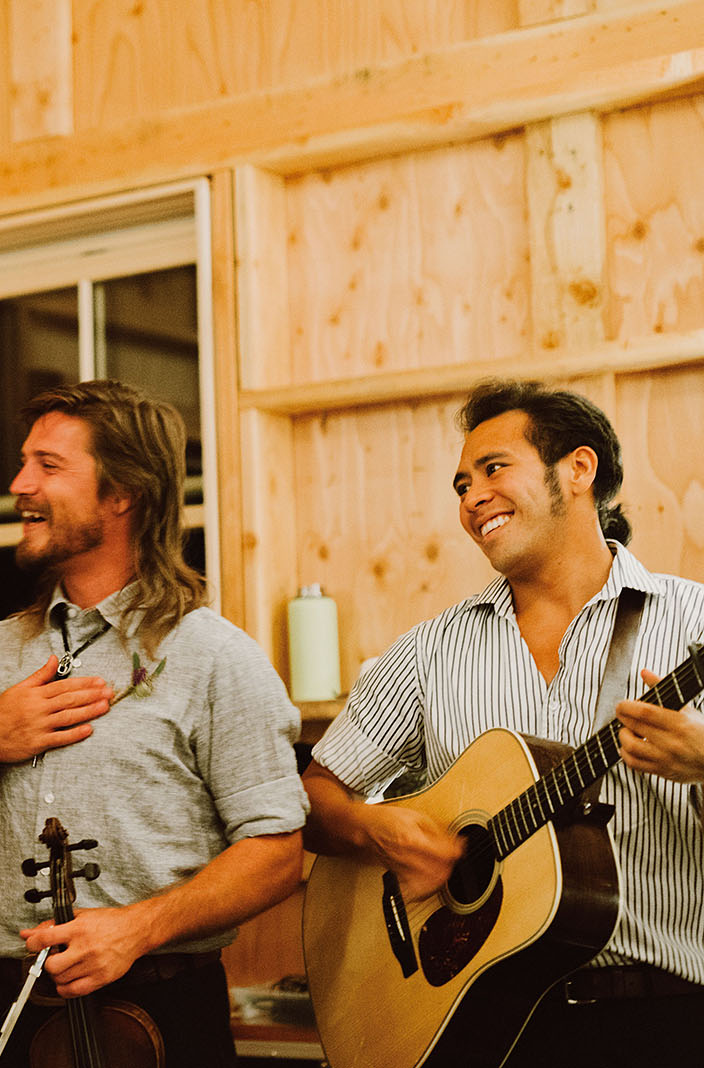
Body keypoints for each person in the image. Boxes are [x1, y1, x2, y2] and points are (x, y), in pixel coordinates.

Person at [0, 380, 308, 1068]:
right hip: (7, 1009)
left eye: (49, 466)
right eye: (25, 462)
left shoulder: (214, 656)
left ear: (123, 495)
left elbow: (277, 852)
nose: (20, 484)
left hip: (162, 1015)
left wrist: (137, 929)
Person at [302, 379, 704, 1067]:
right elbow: (313, 797)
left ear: (578, 470)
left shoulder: (692, 621)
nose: (470, 498)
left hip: (661, 1019)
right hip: (480, 1025)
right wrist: (377, 829)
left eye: (492, 469)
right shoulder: (432, 649)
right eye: (461, 485)